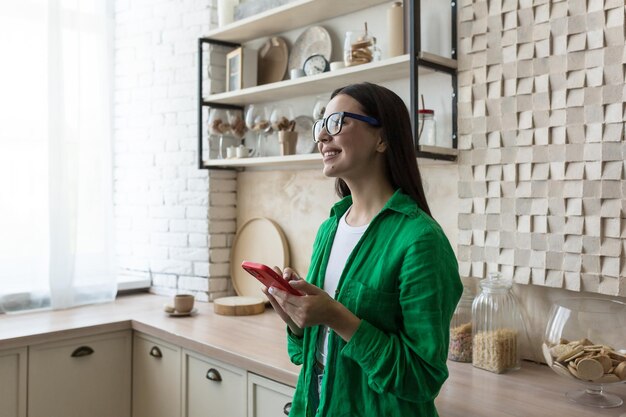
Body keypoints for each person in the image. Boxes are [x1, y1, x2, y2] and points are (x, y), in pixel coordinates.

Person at [263, 82, 462, 417]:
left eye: (337, 122)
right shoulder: (331, 228)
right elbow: (306, 353)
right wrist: (296, 317)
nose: (322, 137)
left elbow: (421, 378)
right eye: (321, 125)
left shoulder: (421, 240)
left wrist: (334, 314)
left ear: (382, 138)